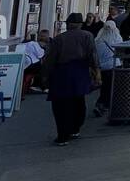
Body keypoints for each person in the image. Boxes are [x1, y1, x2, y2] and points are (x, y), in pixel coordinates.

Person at [41, 13, 100, 147]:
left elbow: (50, 60)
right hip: (80, 72)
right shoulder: (87, 36)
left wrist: (44, 77)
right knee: (78, 101)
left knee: (61, 105)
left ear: (67, 24)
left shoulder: (58, 39)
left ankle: (63, 135)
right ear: (81, 24)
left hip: (61, 73)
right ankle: (75, 128)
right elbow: (93, 55)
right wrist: (97, 72)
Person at [92, 18, 122, 117]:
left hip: (101, 68)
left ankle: (103, 105)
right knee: (110, 88)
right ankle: (103, 105)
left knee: (105, 87)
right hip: (114, 66)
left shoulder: (98, 40)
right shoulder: (117, 39)